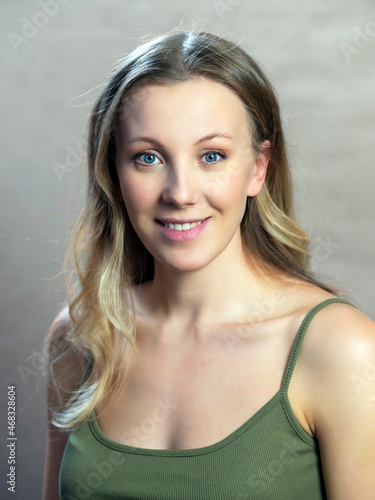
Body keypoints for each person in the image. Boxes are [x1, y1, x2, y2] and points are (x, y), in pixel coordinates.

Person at [42, 28, 375, 500]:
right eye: (148, 157)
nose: (180, 193)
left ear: (259, 168)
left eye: (212, 155)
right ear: (115, 172)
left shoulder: (343, 350)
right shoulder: (81, 336)